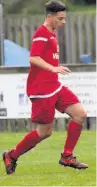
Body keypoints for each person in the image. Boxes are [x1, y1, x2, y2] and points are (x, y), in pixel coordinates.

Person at [3, 0, 88, 175]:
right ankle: (11, 155)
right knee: (44, 132)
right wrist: (53, 68)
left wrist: (54, 70)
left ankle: (67, 156)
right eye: (60, 18)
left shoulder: (52, 33)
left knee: (80, 114)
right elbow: (33, 58)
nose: (63, 22)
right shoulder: (41, 34)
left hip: (54, 86)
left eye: (64, 18)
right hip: (42, 90)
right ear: (49, 16)